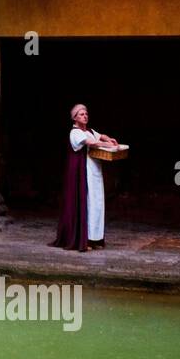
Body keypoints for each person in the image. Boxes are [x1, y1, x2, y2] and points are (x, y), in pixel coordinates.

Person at [51, 103, 118, 251]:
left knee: (96, 204)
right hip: (82, 174)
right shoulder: (75, 133)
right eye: (81, 114)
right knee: (86, 203)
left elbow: (99, 135)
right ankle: (83, 239)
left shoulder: (89, 130)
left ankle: (94, 239)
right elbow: (91, 142)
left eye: (86, 114)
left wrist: (109, 139)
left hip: (94, 173)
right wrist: (107, 145)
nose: (85, 116)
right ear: (75, 118)